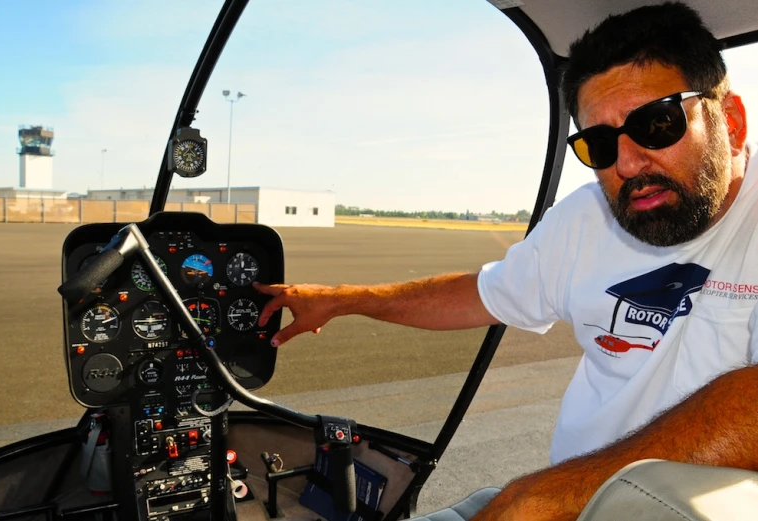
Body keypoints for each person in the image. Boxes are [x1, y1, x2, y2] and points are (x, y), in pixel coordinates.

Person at [255, 2, 758, 519]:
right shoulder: (585, 220)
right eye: (600, 144)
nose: (628, 164)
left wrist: (538, 496)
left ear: (733, 120)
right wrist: (343, 301)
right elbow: (481, 295)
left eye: (657, 124)